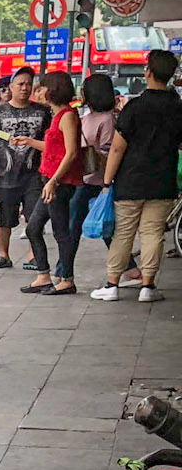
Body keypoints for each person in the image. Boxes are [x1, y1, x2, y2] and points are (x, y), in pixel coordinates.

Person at [92, 46, 182, 303]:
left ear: (149, 72)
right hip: (162, 181)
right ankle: (148, 287)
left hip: (130, 181)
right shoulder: (178, 108)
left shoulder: (135, 106)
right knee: (153, 233)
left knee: (124, 233)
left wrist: (107, 181)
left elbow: (118, 148)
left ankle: (111, 285)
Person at [0, 66, 49, 269]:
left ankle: (33, 255)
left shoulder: (43, 112)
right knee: (3, 218)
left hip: (35, 175)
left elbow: (51, 142)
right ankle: (3, 255)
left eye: (28, 84)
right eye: (20, 84)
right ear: (12, 87)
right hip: (5, 175)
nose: (24, 88)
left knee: (34, 217)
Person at [24, 70, 81, 295]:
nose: (38, 92)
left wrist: (54, 181)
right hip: (49, 180)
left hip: (59, 182)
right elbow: (54, 148)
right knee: (33, 228)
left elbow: (71, 152)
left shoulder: (67, 115)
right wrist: (29, 141)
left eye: (42, 87)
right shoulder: (57, 115)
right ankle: (44, 275)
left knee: (60, 231)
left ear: (53, 90)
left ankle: (66, 278)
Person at [71, 70, 117, 261]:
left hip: (98, 181)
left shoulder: (108, 119)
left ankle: (63, 271)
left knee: (99, 225)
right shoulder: (85, 117)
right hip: (84, 178)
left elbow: (108, 150)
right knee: (82, 226)